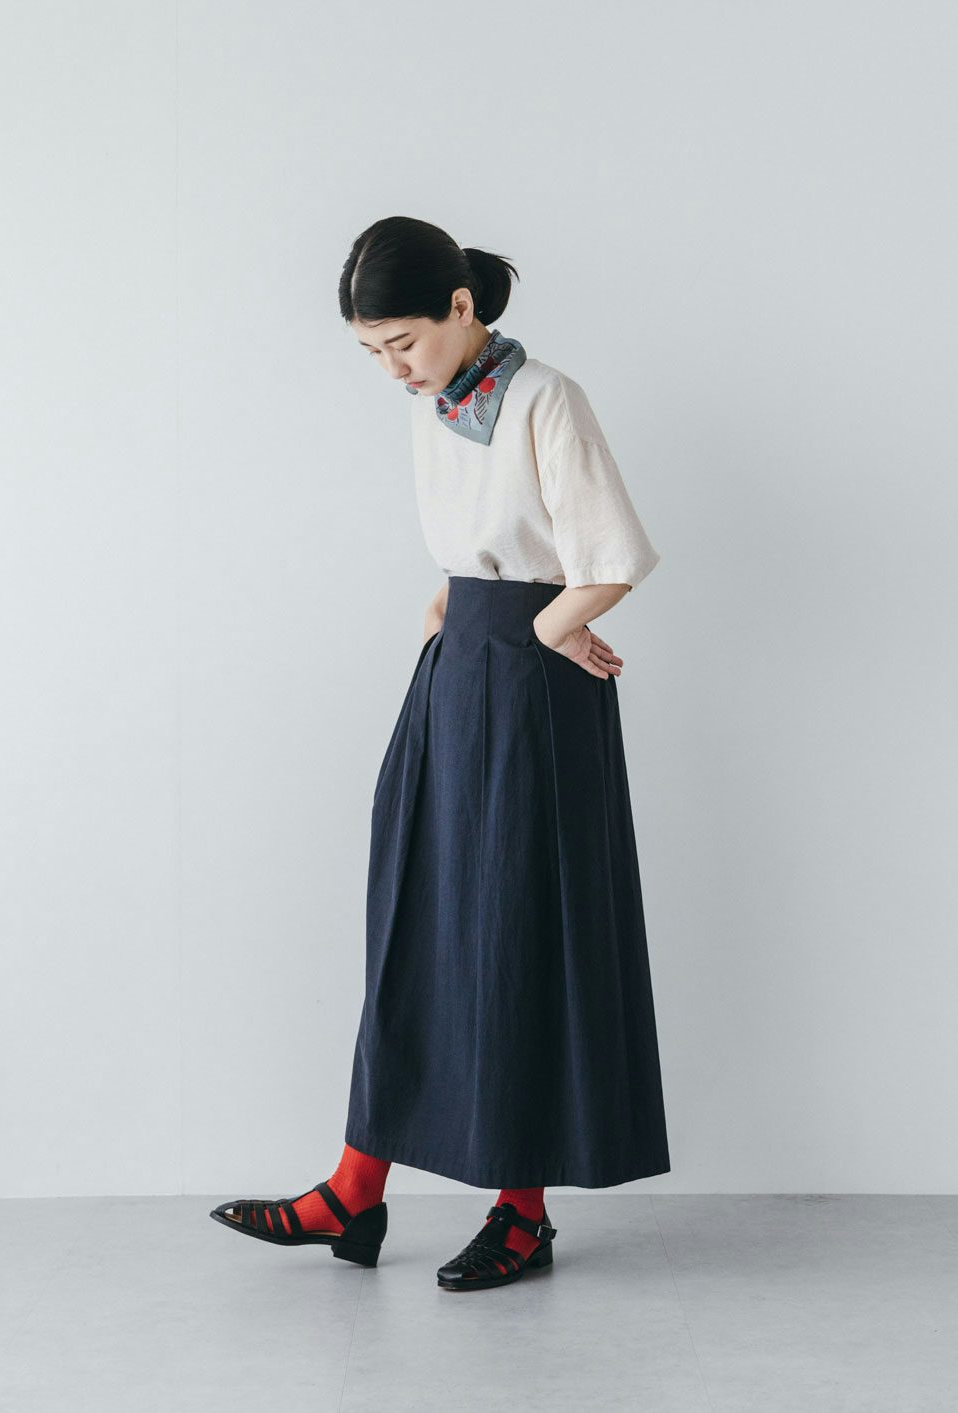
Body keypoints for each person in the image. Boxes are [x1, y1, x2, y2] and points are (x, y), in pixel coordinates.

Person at [211, 216, 670, 1292]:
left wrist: (543, 628)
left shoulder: (546, 398)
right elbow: (475, 546)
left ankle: (522, 1213)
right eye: (371, 352)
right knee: (412, 919)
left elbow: (612, 557)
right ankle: (353, 1189)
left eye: (402, 343)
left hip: (532, 690)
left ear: (462, 307)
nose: (392, 369)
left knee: (517, 931)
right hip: (456, 675)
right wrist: (449, 614)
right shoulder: (432, 403)